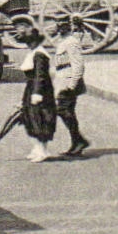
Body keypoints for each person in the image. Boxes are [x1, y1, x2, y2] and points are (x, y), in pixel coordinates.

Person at [50, 18, 91, 157]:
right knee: (67, 111)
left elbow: (78, 64)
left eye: (59, 26)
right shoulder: (64, 41)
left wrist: (72, 84)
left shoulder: (72, 42)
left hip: (68, 82)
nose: (56, 28)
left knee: (63, 110)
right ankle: (77, 142)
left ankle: (78, 140)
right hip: (62, 80)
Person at [17, 26, 56, 163]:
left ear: (35, 42)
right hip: (32, 88)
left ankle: (43, 150)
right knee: (30, 118)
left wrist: (37, 93)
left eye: (30, 42)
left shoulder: (40, 55)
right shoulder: (34, 52)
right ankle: (37, 148)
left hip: (40, 90)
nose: (29, 44)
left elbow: (41, 75)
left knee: (40, 118)